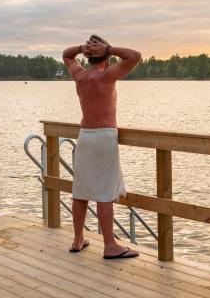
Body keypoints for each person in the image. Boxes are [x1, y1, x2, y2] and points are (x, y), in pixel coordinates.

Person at [62, 35, 142, 259]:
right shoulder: (107, 75)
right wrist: (107, 48)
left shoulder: (80, 75)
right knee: (105, 192)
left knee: (81, 191)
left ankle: (78, 239)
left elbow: (66, 55)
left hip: (85, 136)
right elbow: (135, 56)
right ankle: (110, 245)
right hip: (104, 137)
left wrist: (82, 48)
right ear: (107, 57)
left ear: (87, 58)